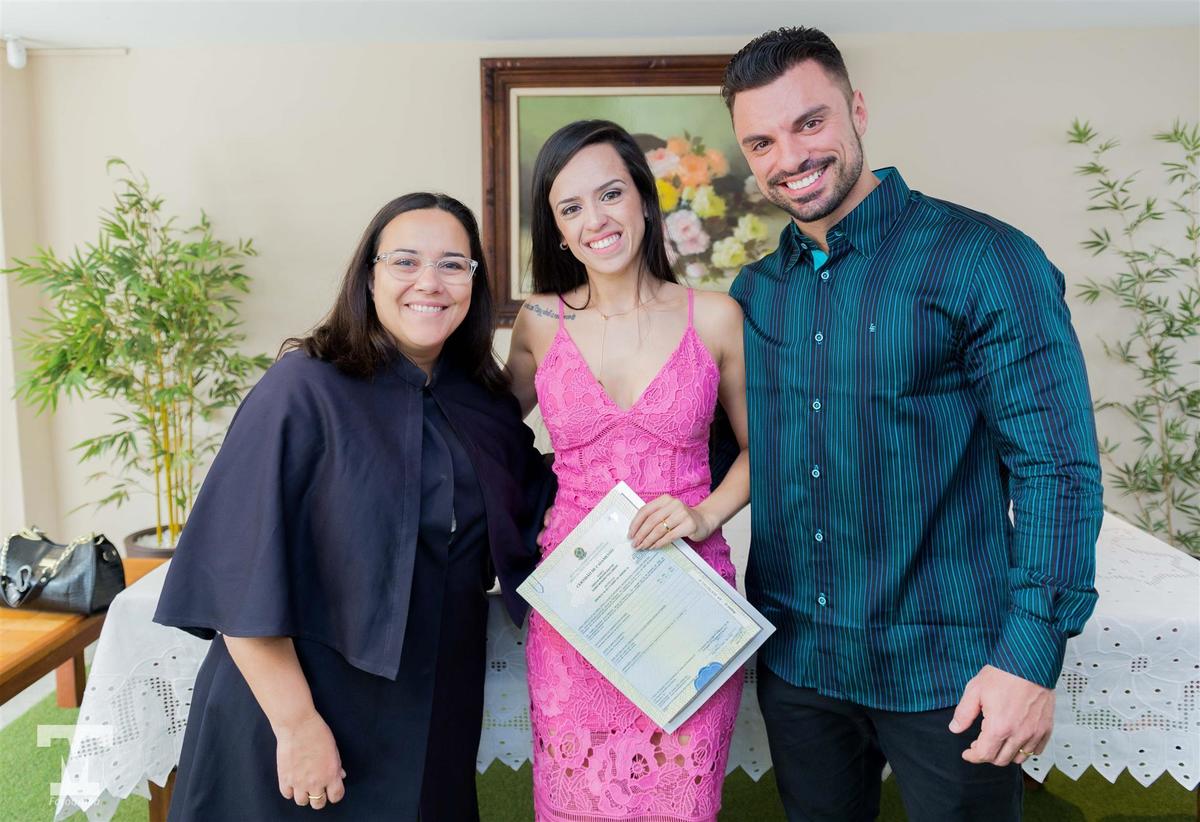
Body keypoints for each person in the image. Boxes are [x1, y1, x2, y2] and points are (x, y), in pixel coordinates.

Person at [720, 27, 1104, 822]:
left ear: (856, 110)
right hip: (800, 667)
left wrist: (1030, 660)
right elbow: (720, 454)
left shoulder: (985, 259)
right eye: (761, 140)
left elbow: (1056, 468)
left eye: (810, 123)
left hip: (952, 672)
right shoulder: (754, 293)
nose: (789, 156)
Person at [153, 192, 554, 821]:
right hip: (301, 710)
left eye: (454, 264)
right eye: (405, 261)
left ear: (475, 284)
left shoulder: (481, 402)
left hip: (432, 709)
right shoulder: (301, 389)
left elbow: (551, 505)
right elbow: (236, 580)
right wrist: (296, 727)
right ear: (369, 276)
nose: (431, 282)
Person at [506, 119, 751, 821]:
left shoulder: (716, 319)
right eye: (571, 207)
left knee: (680, 804)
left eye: (610, 194)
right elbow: (482, 434)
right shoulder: (540, 322)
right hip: (576, 606)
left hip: (687, 599)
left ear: (644, 200)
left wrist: (704, 513)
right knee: (575, 803)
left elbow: (765, 452)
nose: (596, 220)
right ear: (554, 228)